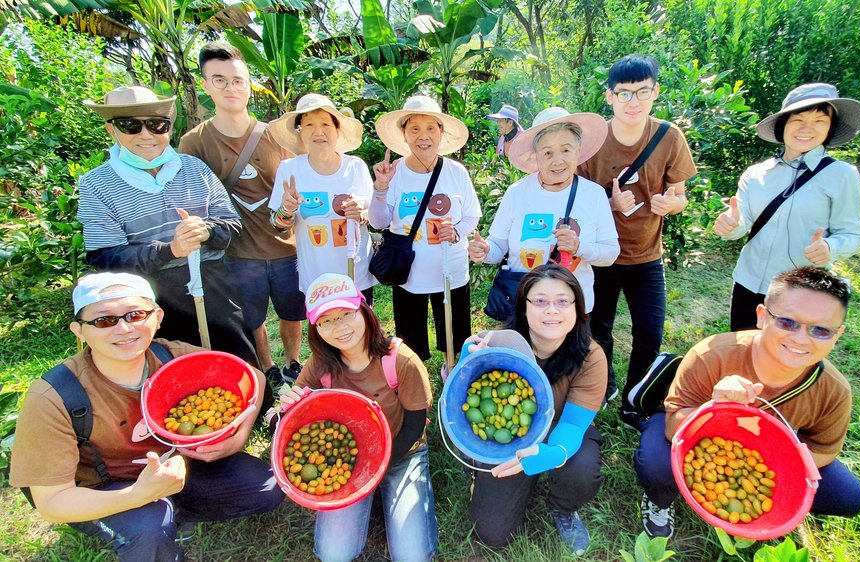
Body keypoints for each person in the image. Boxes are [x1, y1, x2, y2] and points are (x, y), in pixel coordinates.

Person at [9, 272, 283, 561]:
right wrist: (137, 496)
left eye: (136, 314)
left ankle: (174, 508)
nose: (124, 329)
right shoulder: (55, 396)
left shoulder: (172, 356)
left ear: (158, 317)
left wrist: (236, 440)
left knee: (266, 487)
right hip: (106, 487)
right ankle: (150, 519)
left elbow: (251, 376)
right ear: (79, 331)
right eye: (104, 320)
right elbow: (52, 502)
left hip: (177, 467)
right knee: (150, 527)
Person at [632, 266, 860, 539]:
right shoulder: (712, 355)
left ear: (837, 335)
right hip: (697, 429)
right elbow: (673, 428)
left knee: (848, 497)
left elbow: (824, 450)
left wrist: (769, 460)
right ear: (762, 316)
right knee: (656, 462)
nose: (801, 339)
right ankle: (659, 501)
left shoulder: (834, 390)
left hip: (776, 450)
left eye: (821, 330)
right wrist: (712, 408)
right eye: (787, 323)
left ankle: (784, 509)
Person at [77, 85, 259, 368]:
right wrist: (170, 250)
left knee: (239, 364)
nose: (146, 135)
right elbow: (105, 256)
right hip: (151, 291)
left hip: (212, 281)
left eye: (156, 125)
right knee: (177, 370)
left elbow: (232, 224)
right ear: (112, 130)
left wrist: (207, 232)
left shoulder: (194, 168)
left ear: (169, 129)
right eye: (130, 126)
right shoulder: (97, 184)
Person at [280, 273, 436, 562]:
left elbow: (414, 426)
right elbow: (292, 413)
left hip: (401, 452)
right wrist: (281, 410)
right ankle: (367, 498)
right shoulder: (321, 364)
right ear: (315, 327)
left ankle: (382, 493)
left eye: (346, 314)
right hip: (347, 457)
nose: (339, 328)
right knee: (333, 553)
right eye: (326, 321)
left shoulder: (400, 361)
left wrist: (374, 471)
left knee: (412, 556)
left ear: (364, 311)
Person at [576, 54, 698, 426]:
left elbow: (680, 195)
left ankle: (636, 401)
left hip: (647, 256)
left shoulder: (668, 137)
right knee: (599, 328)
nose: (634, 101)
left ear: (655, 92)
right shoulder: (594, 142)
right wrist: (607, 202)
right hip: (603, 257)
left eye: (642, 92)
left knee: (650, 331)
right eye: (624, 93)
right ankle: (605, 384)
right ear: (609, 96)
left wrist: (671, 203)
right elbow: (576, 198)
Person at [178, 41, 305, 388]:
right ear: (204, 85)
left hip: (286, 247)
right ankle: (267, 366)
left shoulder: (279, 137)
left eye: (237, 80)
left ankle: (294, 361)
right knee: (251, 317)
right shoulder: (194, 143)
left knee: (293, 311)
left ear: (249, 84)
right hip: (235, 254)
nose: (230, 88)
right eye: (219, 80)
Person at [467, 264, 607, 555]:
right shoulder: (501, 343)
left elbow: (572, 426)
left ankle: (563, 508)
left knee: (580, 469)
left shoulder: (590, 356)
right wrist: (468, 360)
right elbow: (467, 392)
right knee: (493, 533)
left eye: (562, 301)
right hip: (513, 434)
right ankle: (482, 470)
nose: (551, 310)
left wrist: (550, 455)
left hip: (561, 427)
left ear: (578, 308)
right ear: (524, 307)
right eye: (540, 300)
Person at [713, 83, 860, 332]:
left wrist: (831, 246)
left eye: (819, 120)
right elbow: (743, 223)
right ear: (783, 123)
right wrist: (729, 226)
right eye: (798, 119)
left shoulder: (841, 175)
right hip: (747, 283)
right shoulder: (757, 174)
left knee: (784, 362)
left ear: (829, 128)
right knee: (743, 353)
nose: (807, 128)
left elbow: (854, 234)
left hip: (801, 292)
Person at [469, 107, 619, 313]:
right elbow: (497, 247)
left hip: (572, 309)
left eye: (566, 150)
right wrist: (485, 251)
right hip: (523, 306)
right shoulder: (517, 192)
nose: (558, 161)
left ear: (578, 150)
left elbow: (611, 253)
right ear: (536, 155)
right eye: (547, 152)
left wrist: (579, 247)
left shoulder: (593, 194)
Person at [369, 95, 482, 361]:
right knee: (411, 337)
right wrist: (381, 187)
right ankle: (415, 377)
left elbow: (471, 215)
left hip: (451, 271)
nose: (423, 136)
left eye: (431, 127)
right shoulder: (394, 172)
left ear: (441, 133)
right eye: (415, 129)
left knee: (454, 332)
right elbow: (378, 222)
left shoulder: (456, 171)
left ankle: (451, 368)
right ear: (404, 135)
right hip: (409, 273)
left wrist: (455, 233)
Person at [266, 94, 376, 305]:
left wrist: (361, 214)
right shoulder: (290, 169)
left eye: (326, 124)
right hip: (316, 279)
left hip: (356, 274)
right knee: (324, 334)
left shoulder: (355, 167)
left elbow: (376, 218)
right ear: (300, 131)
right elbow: (277, 225)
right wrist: (287, 209)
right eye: (309, 125)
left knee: (362, 333)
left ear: (337, 129)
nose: (318, 131)